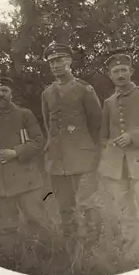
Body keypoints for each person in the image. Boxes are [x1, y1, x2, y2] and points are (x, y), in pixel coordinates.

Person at [97, 49, 139, 265]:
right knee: (125, 211)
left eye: (124, 70)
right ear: (110, 75)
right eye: (115, 71)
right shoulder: (108, 102)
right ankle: (131, 251)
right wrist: (109, 157)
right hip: (117, 168)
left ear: (131, 72)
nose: (120, 75)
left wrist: (133, 137)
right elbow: (104, 136)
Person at [0, 76, 53, 270]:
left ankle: (42, 260)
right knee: (6, 226)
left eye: (4, 90)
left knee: (35, 219)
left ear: (11, 93)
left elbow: (39, 141)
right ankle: (11, 263)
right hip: (0, 183)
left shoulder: (25, 114)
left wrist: (16, 152)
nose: (1, 95)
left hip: (28, 179)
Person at [41, 42, 103, 263]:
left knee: (87, 205)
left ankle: (92, 250)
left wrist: (95, 154)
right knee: (65, 207)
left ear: (69, 61)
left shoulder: (84, 89)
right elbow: (49, 126)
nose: (56, 65)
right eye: (51, 62)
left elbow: (97, 123)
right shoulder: (47, 92)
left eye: (59, 60)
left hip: (83, 158)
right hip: (57, 161)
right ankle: (71, 249)